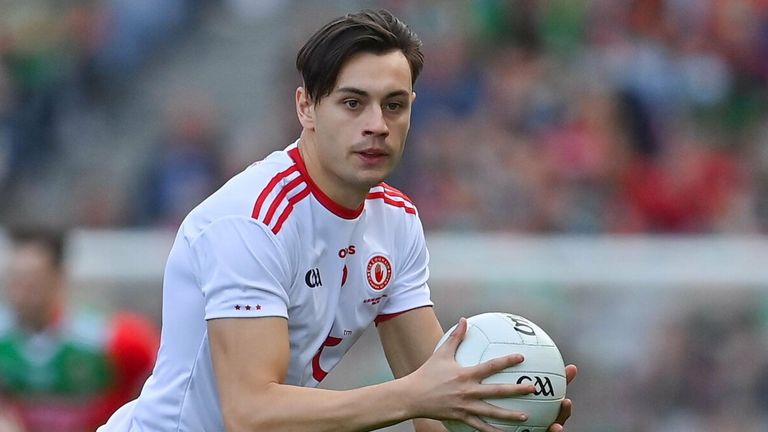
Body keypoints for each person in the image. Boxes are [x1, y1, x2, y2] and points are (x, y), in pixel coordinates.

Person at [99, 9, 577, 432]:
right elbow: (251, 413)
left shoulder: (396, 222)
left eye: (395, 104)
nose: (377, 124)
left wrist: (499, 415)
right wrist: (414, 396)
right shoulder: (251, 221)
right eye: (353, 103)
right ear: (306, 106)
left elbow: (436, 401)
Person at [0, 227, 159, 432]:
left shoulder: (110, 340)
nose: (20, 293)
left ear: (58, 277)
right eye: (15, 280)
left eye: (31, 282)